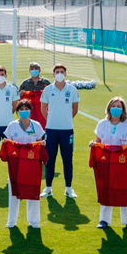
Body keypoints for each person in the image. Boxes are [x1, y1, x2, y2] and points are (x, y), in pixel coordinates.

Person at [91, 96, 127, 229]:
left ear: (123, 110)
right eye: (113, 106)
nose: (116, 109)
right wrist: (93, 145)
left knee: (124, 189)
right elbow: (97, 143)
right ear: (109, 108)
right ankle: (104, 220)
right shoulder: (102, 124)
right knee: (106, 188)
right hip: (106, 163)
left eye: (119, 106)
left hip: (123, 163)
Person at [1, 100, 45, 228]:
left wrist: (42, 144)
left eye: (26, 109)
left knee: (32, 191)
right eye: (21, 109)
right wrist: (5, 142)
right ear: (17, 112)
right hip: (16, 166)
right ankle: (11, 221)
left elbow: (39, 143)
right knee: (14, 192)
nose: (24, 111)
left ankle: (33, 220)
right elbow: (8, 142)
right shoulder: (12, 126)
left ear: (30, 111)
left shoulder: (36, 125)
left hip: (32, 165)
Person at [40, 64, 79, 198]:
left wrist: (66, 119)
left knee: (67, 160)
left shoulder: (72, 90)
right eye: (57, 72)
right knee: (49, 160)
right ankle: (48, 188)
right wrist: (51, 120)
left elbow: (75, 109)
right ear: (53, 74)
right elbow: (43, 109)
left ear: (65, 74)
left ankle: (68, 189)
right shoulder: (48, 89)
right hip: (51, 130)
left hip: (67, 130)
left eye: (62, 71)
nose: (60, 74)